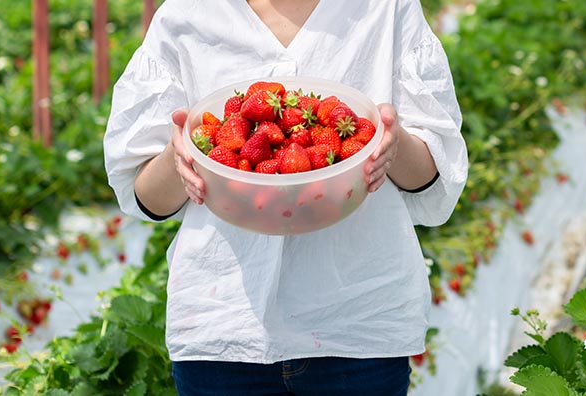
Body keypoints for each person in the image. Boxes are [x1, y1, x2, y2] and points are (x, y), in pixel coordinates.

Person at [103, 0, 468, 394]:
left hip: (357, 322)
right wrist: (180, 156)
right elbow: (145, 198)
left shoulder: (385, 8)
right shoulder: (186, 15)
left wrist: (392, 146)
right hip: (224, 327)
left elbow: (432, 178)